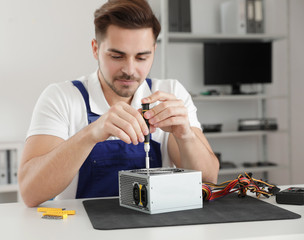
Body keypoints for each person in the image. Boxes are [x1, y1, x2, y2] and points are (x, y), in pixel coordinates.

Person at [18, 0, 219, 207]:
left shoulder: (171, 93)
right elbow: (30, 193)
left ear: (153, 51)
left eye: (141, 57)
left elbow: (208, 181)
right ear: (95, 49)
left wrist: (185, 135)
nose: (130, 70)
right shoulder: (62, 98)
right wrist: (91, 134)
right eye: (117, 56)